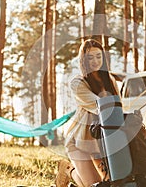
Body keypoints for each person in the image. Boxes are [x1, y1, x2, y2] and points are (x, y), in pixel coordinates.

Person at [56, 39, 120, 187]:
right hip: (80, 142)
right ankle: (68, 169)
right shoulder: (78, 83)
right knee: (93, 185)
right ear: (83, 60)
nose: (95, 61)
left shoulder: (110, 80)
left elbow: (118, 107)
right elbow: (100, 106)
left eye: (98, 56)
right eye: (90, 57)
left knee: (111, 183)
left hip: (102, 143)